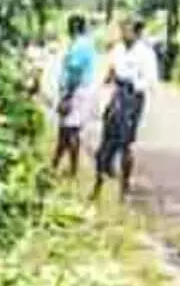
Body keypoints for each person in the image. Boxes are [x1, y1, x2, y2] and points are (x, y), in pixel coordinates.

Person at [91, 19, 160, 200]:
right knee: (106, 141)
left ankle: (125, 186)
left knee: (125, 143)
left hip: (132, 97)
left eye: (127, 30)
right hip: (117, 94)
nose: (123, 34)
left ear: (136, 32)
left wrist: (133, 84)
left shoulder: (145, 53)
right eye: (122, 30)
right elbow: (109, 72)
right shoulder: (118, 49)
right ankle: (99, 183)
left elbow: (151, 80)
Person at [52, 15, 97, 177]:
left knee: (71, 130)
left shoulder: (79, 45)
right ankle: (56, 164)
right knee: (65, 130)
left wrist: (67, 96)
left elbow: (75, 73)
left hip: (76, 91)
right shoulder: (84, 44)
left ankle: (71, 169)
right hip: (79, 90)